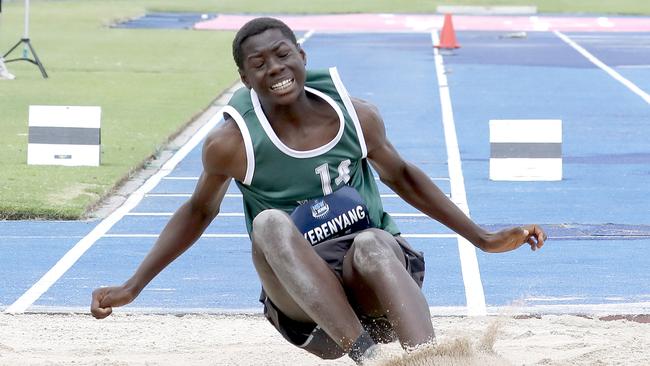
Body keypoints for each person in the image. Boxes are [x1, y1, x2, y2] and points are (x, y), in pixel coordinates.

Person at [90, 17, 547, 364]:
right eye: (259, 64)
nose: (276, 68)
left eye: (282, 53)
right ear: (246, 80)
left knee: (370, 241)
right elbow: (196, 213)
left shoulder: (358, 116)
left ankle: (430, 357)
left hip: (376, 280)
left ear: (302, 56)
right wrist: (134, 285)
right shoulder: (232, 144)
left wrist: (482, 238)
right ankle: (370, 358)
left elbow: (403, 176)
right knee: (269, 223)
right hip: (306, 307)